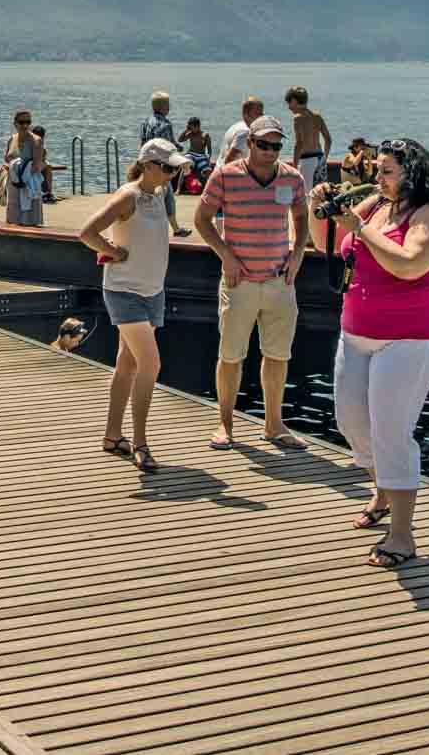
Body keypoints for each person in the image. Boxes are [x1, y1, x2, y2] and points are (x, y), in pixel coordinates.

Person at [326, 138, 429, 569]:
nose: (376, 178)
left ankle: (402, 533)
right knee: (350, 420)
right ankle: (381, 488)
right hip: (357, 331)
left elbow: (409, 264)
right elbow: (323, 239)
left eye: (386, 171)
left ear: (412, 173)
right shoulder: (376, 205)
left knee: (391, 431)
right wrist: (321, 208)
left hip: (411, 337)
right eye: (376, 170)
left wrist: (360, 229)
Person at [79, 136, 193, 473]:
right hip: (124, 290)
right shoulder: (128, 195)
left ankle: (112, 436)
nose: (174, 174)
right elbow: (87, 232)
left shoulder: (160, 194)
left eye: (176, 169)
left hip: (152, 291)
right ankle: (141, 443)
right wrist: (113, 252)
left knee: (127, 363)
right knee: (151, 363)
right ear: (149, 165)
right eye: (169, 168)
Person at [196, 114, 309, 451]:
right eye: (263, 144)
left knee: (278, 355)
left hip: (280, 282)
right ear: (250, 144)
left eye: (276, 145)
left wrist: (298, 251)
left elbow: (301, 217)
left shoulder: (292, 178)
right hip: (239, 281)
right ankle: (225, 424)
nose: (269, 151)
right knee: (230, 356)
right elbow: (202, 220)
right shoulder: (226, 176)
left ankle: (274, 425)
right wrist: (225, 256)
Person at [137, 92, 190, 236]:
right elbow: (167, 145)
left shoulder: (145, 122)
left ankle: (146, 224)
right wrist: (179, 148)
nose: (169, 107)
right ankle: (176, 229)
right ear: (164, 107)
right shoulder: (166, 124)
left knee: (146, 194)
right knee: (168, 195)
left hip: (147, 162)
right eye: (168, 105)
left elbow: (142, 144)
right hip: (161, 166)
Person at [1, 108, 46, 227]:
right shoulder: (12, 139)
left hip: (28, 182)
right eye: (22, 122)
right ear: (15, 123)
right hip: (14, 182)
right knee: (13, 217)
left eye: (28, 122)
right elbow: (6, 158)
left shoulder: (36, 140)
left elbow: (37, 165)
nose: (25, 125)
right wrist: (12, 166)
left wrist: (22, 175)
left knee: (29, 218)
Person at [284, 86, 332, 190]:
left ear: (294, 101)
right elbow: (328, 139)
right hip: (320, 158)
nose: (289, 107)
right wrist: (325, 159)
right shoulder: (317, 116)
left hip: (307, 161)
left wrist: (294, 166)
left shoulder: (298, 118)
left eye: (289, 103)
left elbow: (299, 143)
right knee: (320, 194)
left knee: (306, 194)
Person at [220, 95, 264, 166]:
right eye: (257, 114)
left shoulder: (236, 126)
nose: (261, 117)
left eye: (261, 114)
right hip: (231, 174)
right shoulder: (245, 133)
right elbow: (228, 161)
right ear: (245, 114)